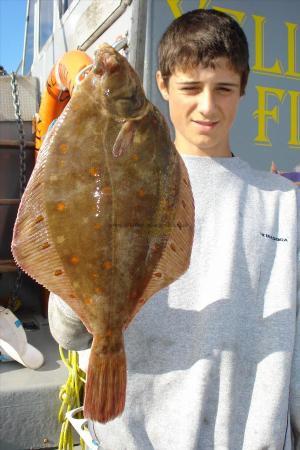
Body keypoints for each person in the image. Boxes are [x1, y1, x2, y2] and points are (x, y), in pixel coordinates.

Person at [48, 9, 300, 450]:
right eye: (190, 88)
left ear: (243, 89)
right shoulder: (113, 181)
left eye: (223, 88)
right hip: (132, 436)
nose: (207, 105)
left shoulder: (283, 202)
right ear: (162, 85)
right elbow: (67, 331)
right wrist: (85, 297)